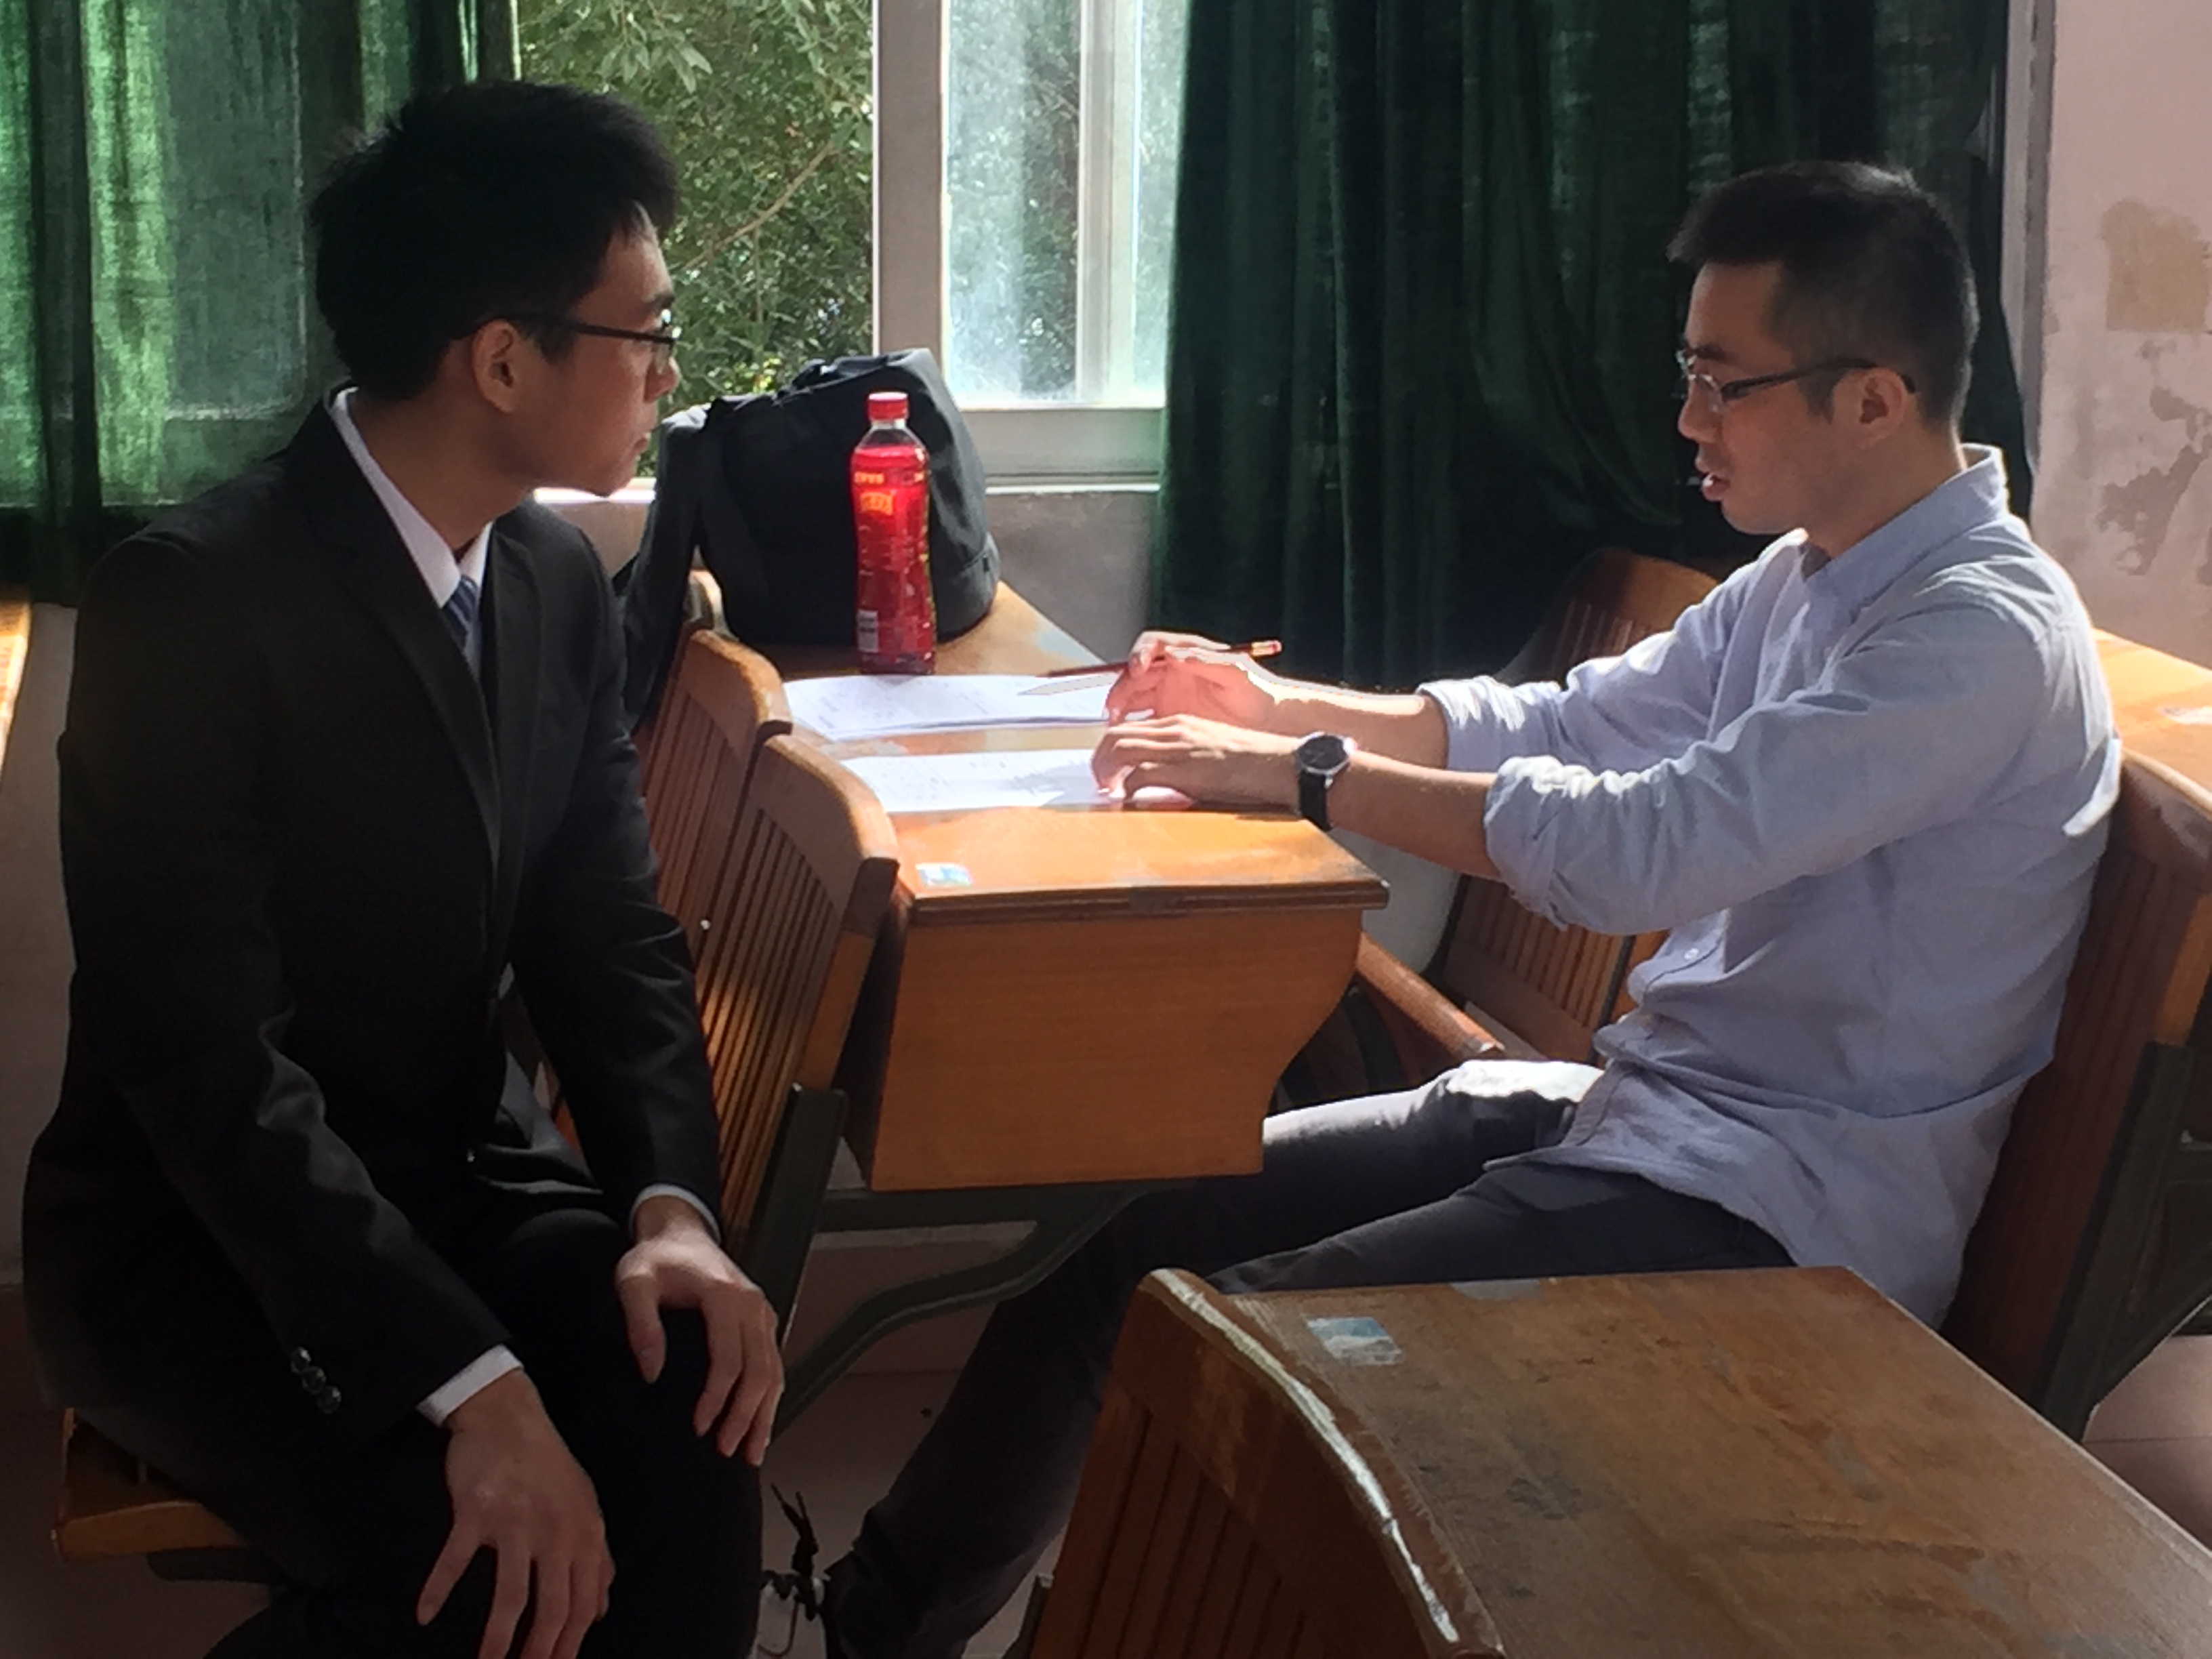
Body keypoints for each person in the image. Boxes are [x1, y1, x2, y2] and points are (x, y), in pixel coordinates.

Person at [816, 160, 2122, 1657]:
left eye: (1724, 383)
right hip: (1637, 1116)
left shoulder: (1974, 639)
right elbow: (1570, 721)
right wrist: (1282, 706)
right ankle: (874, 1632)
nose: (1688, 420)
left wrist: (1306, 776)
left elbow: (1640, 848)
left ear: (1875, 400)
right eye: (1688, 374)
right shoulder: (1807, 580)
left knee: (1228, 1358)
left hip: (1781, 1206)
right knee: (1129, 1234)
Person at [24, 81, 777, 1658]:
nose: (667, 374)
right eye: (645, 333)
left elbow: (608, 936)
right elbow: (206, 1072)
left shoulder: (552, 575)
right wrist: (470, 1381)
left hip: (460, 1178)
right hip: (207, 1238)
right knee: (478, 1555)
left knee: (692, 1431)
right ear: (501, 360)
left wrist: (669, 1207)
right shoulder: (194, 606)